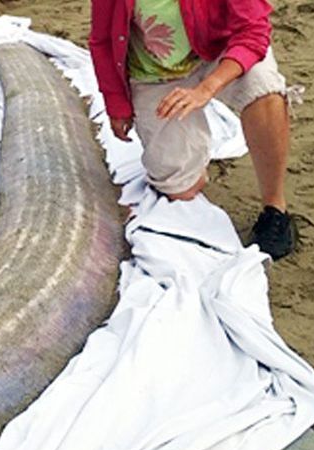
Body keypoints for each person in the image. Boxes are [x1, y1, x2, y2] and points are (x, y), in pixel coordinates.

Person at [89, 0, 297, 260]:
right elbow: (101, 41)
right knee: (179, 187)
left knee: (263, 88)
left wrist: (207, 89)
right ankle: (191, 151)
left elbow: (254, 31)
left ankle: (275, 208)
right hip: (156, 71)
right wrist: (116, 103)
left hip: (218, 53)